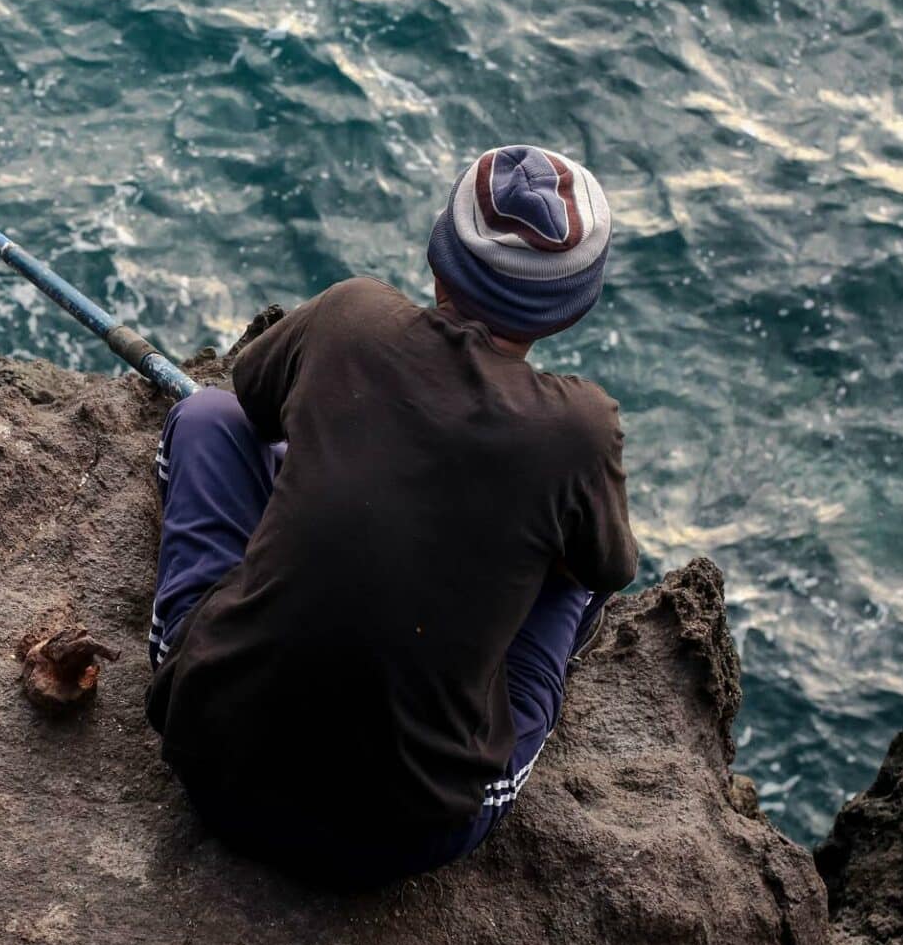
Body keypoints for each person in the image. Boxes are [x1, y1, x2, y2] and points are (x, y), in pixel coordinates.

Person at [145, 144, 637, 887]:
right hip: (402, 837)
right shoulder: (580, 429)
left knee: (203, 415)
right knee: (576, 581)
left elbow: (250, 398)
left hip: (208, 751)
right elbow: (609, 568)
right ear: (568, 309)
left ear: (440, 259)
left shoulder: (351, 314)